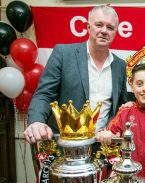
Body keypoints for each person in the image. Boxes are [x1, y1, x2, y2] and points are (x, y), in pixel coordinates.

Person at [24, 5, 128, 143]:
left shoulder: (120, 65)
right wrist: (36, 121)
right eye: (99, 25)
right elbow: (45, 94)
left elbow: (120, 105)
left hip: (101, 147)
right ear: (88, 27)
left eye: (110, 27)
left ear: (115, 32)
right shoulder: (63, 53)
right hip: (65, 146)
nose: (104, 31)